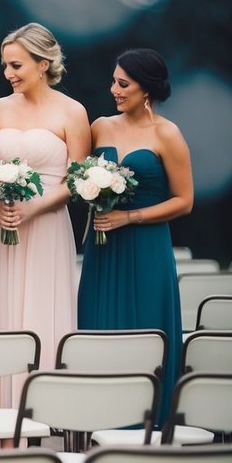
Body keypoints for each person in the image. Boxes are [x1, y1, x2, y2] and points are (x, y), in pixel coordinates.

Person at [78, 48, 192, 421]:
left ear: (146, 89)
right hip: (103, 247)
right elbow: (76, 177)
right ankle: (101, 419)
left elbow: (184, 200)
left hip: (146, 248)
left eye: (123, 83)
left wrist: (131, 217)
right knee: (100, 328)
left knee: (146, 330)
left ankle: (150, 418)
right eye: (113, 81)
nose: (114, 89)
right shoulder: (100, 127)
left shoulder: (167, 134)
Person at [0, 23, 90, 407]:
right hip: (0, 227)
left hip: (45, 226)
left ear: (43, 64)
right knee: (1, 312)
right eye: (5, 66)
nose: (8, 74)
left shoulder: (72, 112)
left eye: (16, 65)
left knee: (42, 312)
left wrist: (33, 207)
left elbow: (78, 181)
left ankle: (41, 407)